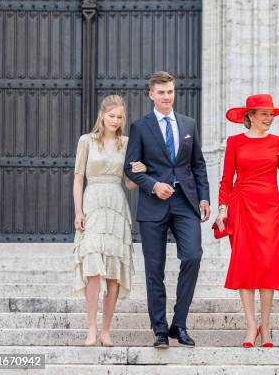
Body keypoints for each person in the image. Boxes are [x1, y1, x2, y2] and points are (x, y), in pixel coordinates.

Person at [124, 71, 211, 349]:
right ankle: (160, 329)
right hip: (153, 205)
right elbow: (131, 167)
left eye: (170, 92)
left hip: (185, 202)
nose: (166, 97)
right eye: (161, 92)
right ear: (151, 94)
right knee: (154, 269)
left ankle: (179, 324)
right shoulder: (140, 126)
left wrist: (205, 198)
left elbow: (197, 164)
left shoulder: (188, 124)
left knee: (193, 256)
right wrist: (152, 185)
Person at [215, 94, 279, 348]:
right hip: (241, 208)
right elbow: (226, 180)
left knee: (268, 266)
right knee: (245, 266)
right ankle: (251, 326)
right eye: (264, 114)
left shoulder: (278, 143)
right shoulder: (235, 142)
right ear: (250, 116)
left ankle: (266, 326)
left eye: (271, 114)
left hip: (270, 209)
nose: (270, 118)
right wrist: (222, 208)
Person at [73, 94, 146, 347]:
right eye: (111, 116)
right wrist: (78, 211)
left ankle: (106, 330)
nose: (115, 120)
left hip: (116, 204)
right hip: (93, 202)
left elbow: (127, 183)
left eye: (119, 117)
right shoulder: (87, 141)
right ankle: (91, 328)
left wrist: (140, 174)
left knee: (113, 272)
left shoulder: (126, 143)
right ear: (102, 115)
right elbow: (78, 178)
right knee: (93, 269)